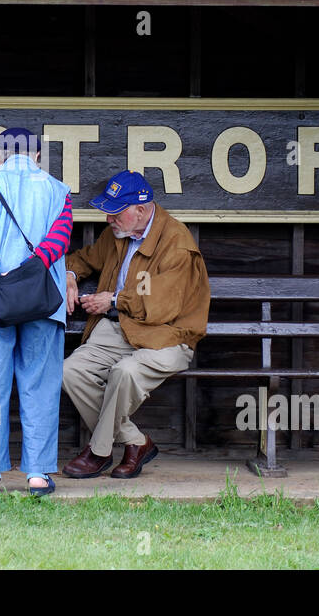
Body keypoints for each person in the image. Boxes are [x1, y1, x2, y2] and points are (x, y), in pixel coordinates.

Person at [61, 170, 210, 480]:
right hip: (120, 330)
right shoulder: (116, 234)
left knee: (124, 373)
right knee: (69, 371)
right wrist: (70, 276)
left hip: (168, 336)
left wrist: (114, 300)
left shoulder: (177, 243)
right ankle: (136, 442)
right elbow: (82, 259)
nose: (108, 220)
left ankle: (98, 452)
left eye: (115, 213)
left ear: (141, 210)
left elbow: (163, 307)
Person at [0, 127, 73, 495]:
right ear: (38, 156)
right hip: (41, 298)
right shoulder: (59, 191)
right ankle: (38, 474)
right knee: (40, 385)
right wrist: (30, 270)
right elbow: (60, 240)